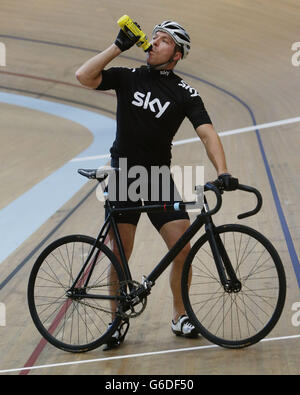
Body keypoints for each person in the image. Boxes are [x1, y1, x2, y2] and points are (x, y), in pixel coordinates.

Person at [76, 20, 238, 349]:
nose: (154, 44)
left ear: (176, 55)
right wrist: (117, 46)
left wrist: (223, 171)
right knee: (118, 253)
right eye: (153, 38)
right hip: (124, 174)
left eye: (162, 41)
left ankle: (180, 315)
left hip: (157, 178)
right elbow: (84, 76)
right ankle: (116, 320)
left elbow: (207, 133)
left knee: (183, 248)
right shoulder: (128, 76)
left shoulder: (184, 93)